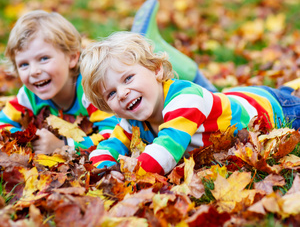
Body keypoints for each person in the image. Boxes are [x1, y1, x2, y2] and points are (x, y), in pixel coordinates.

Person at [80, 31, 300, 175]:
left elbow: (163, 155)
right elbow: (108, 146)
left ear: (156, 70)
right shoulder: (131, 120)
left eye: (128, 78)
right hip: (232, 96)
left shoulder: (185, 100)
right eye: (110, 93)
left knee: (292, 99)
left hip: (271, 107)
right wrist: (106, 171)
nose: (122, 93)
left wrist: (126, 175)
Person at [0, 10, 119, 154]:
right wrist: (29, 138)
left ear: (72, 58)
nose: (33, 71)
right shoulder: (28, 95)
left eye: (44, 58)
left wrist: (64, 145)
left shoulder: (90, 90)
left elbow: (114, 134)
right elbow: (2, 124)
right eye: (24, 64)